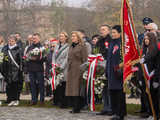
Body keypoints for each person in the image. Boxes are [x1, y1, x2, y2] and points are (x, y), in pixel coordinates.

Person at [107, 25, 126, 120]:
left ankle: (120, 113)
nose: (112, 34)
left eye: (114, 32)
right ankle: (115, 112)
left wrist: (120, 68)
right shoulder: (112, 43)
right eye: (112, 32)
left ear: (120, 33)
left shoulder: (122, 44)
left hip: (119, 72)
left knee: (119, 93)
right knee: (113, 92)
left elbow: (124, 58)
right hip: (111, 72)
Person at [65, 31, 88, 113]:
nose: (72, 38)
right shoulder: (71, 46)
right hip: (71, 69)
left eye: (74, 36)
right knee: (72, 88)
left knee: (77, 88)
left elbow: (85, 59)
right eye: (72, 36)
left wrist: (84, 70)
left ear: (78, 37)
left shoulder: (82, 46)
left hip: (79, 69)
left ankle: (77, 107)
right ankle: (74, 106)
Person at [140, 32, 160, 120]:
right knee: (148, 97)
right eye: (145, 39)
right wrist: (140, 77)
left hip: (154, 77)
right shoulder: (144, 50)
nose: (146, 41)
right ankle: (150, 113)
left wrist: (156, 80)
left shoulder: (156, 50)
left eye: (148, 39)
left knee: (155, 98)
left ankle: (157, 114)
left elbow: (158, 66)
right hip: (145, 77)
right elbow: (140, 66)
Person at [2, 34, 23, 106]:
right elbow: (2, 59)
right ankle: (10, 99)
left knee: (16, 86)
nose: (10, 42)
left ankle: (16, 99)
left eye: (12, 41)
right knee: (9, 86)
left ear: (15, 41)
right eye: (10, 41)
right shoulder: (5, 49)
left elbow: (21, 61)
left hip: (16, 71)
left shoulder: (18, 49)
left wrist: (21, 70)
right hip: (7, 71)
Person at [96, 24, 113, 115]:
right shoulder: (99, 41)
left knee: (109, 88)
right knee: (103, 88)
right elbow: (96, 52)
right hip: (100, 67)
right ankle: (105, 107)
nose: (101, 31)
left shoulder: (111, 40)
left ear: (108, 31)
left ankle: (111, 108)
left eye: (104, 29)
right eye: (101, 29)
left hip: (108, 66)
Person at [26, 33, 46, 105]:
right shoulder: (30, 47)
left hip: (39, 69)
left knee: (41, 85)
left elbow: (44, 58)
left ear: (39, 39)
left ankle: (41, 100)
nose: (34, 40)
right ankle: (33, 100)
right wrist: (29, 58)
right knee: (32, 85)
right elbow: (26, 56)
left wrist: (36, 58)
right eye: (33, 38)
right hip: (31, 69)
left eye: (35, 38)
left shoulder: (42, 47)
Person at [52, 32, 69, 108]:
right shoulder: (57, 46)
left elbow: (66, 58)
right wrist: (54, 65)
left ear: (66, 38)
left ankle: (64, 102)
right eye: (60, 36)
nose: (61, 37)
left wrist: (60, 67)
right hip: (56, 67)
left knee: (63, 86)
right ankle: (57, 101)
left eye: (62, 36)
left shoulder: (68, 47)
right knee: (57, 85)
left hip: (63, 68)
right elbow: (53, 56)